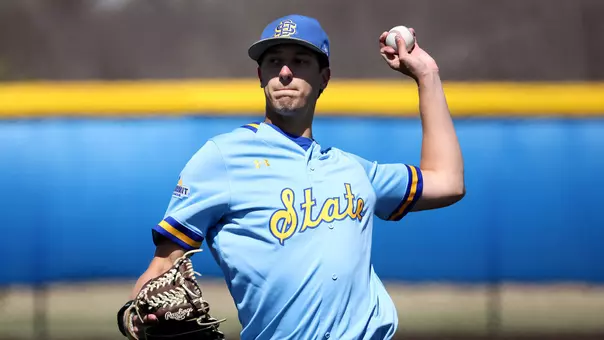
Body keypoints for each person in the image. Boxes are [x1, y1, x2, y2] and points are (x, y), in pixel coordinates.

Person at [117, 13, 465, 340]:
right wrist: (134, 316)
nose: (285, 72)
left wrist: (427, 74)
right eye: (273, 61)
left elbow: (447, 181)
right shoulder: (222, 158)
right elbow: (164, 263)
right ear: (260, 77)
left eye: (299, 61)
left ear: (323, 78)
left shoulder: (354, 170)